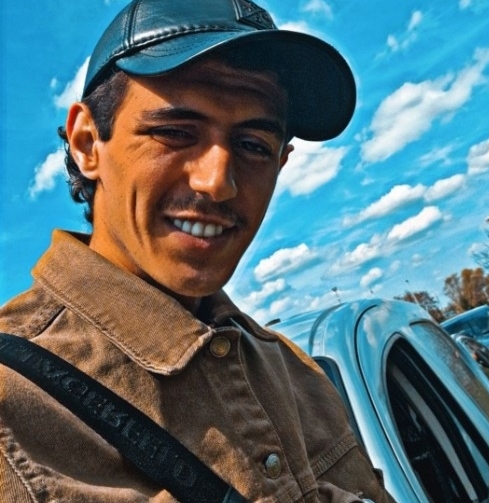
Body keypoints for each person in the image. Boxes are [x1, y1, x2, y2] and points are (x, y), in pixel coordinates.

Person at [0, 1, 395, 502]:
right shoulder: (14, 411)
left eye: (253, 145)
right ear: (87, 143)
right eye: (175, 132)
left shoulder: (296, 374)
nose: (218, 182)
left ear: (281, 163)